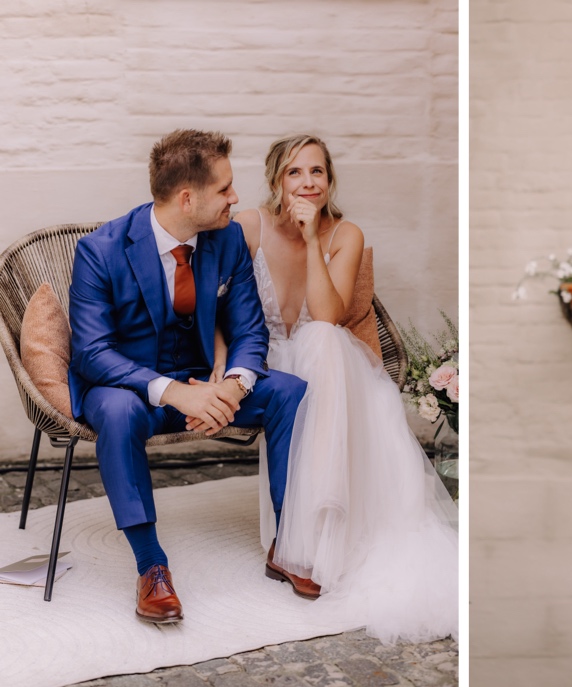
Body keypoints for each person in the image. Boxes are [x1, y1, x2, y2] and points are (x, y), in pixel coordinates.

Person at [222, 134, 458, 643]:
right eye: (294, 172)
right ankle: (303, 541)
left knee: (323, 339)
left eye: (317, 172)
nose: (308, 183)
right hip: (261, 364)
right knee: (313, 349)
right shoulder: (247, 227)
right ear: (275, 181)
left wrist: (310, 242)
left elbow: (329, 315)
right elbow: (220, 307)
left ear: (330, 181)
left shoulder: (343, 234)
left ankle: (318, 538)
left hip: (328, 364)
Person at [67, 129, 307, 624]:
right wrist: (175, 393)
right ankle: (151, 567)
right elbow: (91, 352)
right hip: (131, 391)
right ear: (186, 197)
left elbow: (249, 330)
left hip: (206, 383)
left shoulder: (228, 239)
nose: (235, 199)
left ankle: (292, 545)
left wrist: (232, 386)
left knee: (289, 392)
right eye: (224, 189)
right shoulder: (100, 250)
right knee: (114, 409)